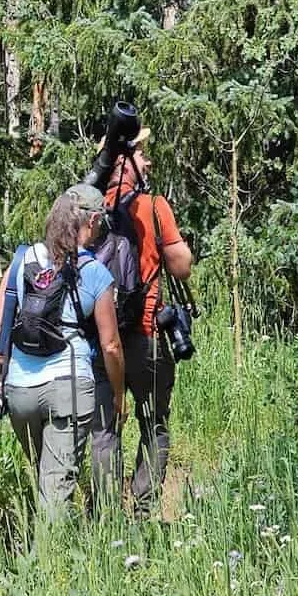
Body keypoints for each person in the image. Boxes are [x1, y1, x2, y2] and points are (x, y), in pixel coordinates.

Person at [0, 184, 125, 520]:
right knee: (57, 484)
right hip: (69, 387)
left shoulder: (22, 259)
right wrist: (119, 394)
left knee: (44, 473)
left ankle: (35, 549)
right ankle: (46, 567)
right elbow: (110, 345)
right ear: (92, 220)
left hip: (19, 389)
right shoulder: (95, 272)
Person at [91, 128, 193, 518]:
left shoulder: (89, 207)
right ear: (124, 162)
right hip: (148, 333)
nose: (147, 162)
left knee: (105, 427)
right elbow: (180, 268)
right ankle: (143, 509)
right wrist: (182, 248)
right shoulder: (153, 206)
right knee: (154, 422)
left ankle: (105, 516)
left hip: (102, 337)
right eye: (142, 154)